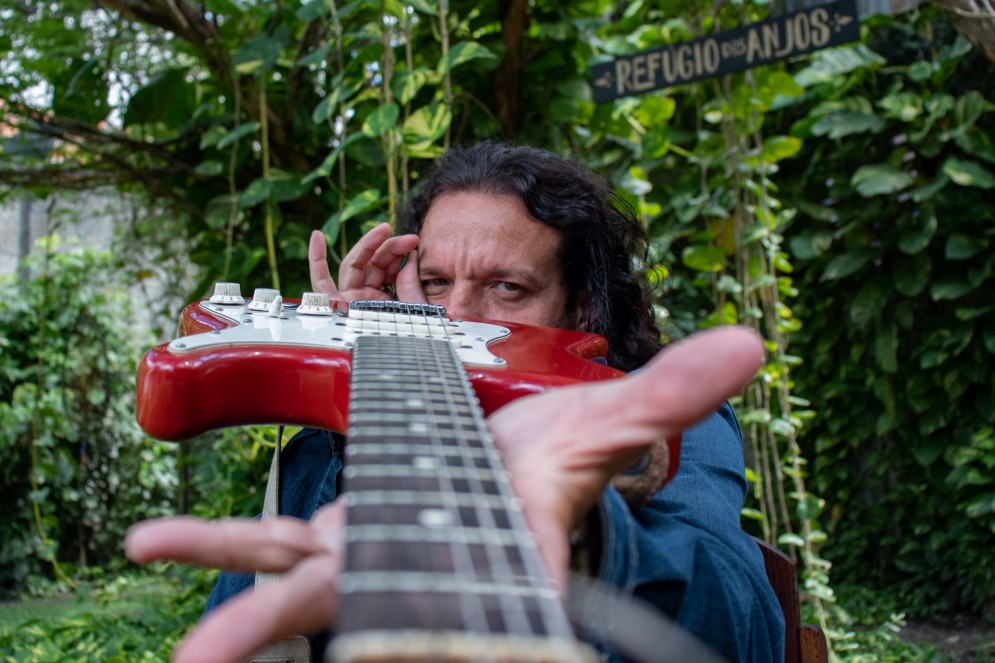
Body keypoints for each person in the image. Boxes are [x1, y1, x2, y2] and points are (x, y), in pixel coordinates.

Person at [126, 142, 785, 662]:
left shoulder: (648, 412)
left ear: (580, 304)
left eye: (506, 287)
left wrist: (595, 540)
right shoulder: (316, 453)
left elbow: (739, 619)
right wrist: (352, 384)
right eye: (434, 283)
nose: (460, 314)